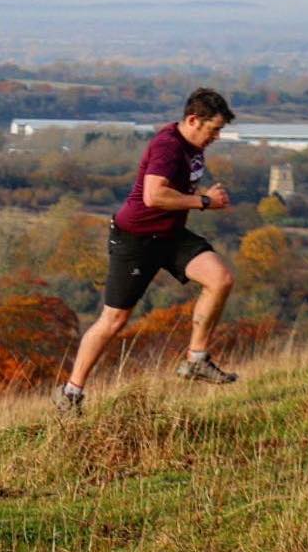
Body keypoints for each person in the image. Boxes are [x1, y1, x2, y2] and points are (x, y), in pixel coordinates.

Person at [58, 88, 238, 415]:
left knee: (220, 278)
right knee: (114, 319)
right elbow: (155, 196)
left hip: (169, 235)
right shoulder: (168, 147)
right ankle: (71, 393)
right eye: (214, 129)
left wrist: (201, 194)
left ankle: (196, 360)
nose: (217, 136)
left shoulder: (191, 146)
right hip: (136, 239)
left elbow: (176, 189)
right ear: (193, 120)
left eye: (220, 130)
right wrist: (205, 202)